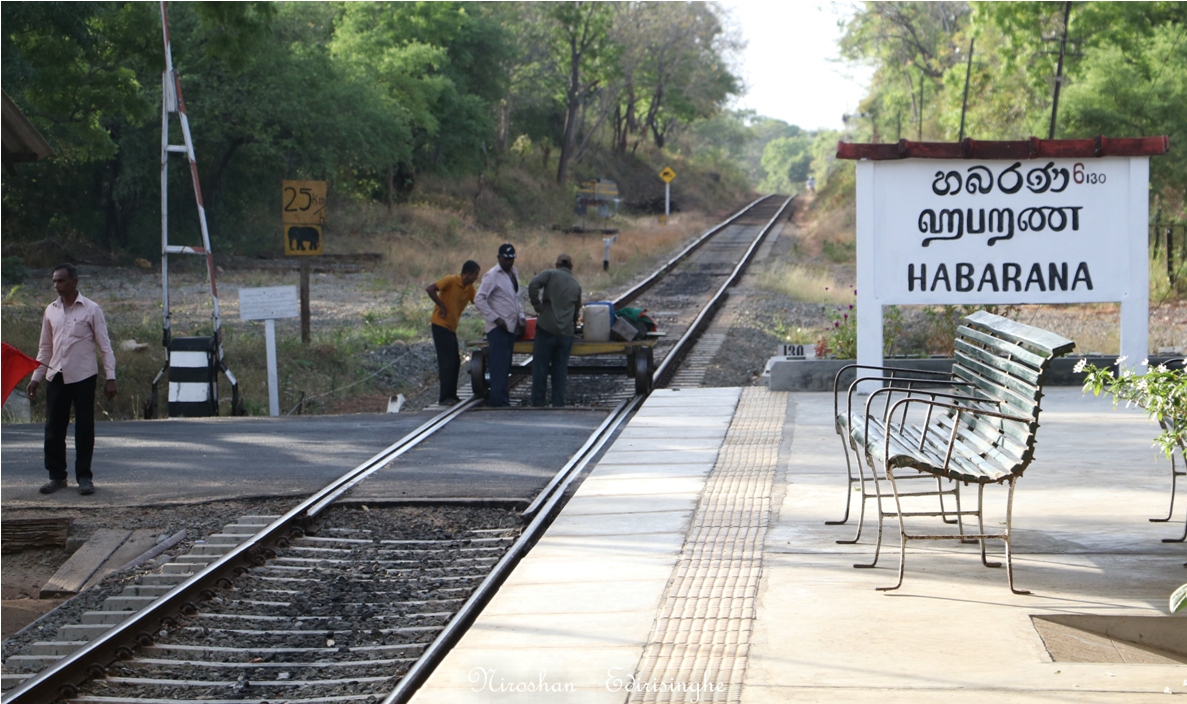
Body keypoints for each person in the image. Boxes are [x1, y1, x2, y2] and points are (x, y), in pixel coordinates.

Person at [26, 264, 117, 496]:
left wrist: (110, 377)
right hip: (55, 374)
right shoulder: (51, 311)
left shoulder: (91, 310)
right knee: (53, 428)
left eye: (62, 281)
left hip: (83, 376)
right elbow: (45, 348)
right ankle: (56, 476)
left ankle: (84, 477)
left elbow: (105, 346)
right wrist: (36, 378)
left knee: (84, 428)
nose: (57, 286)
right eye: (55, 281)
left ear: (75, 282)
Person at [473, 243, 525, 407]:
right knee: (499, 367)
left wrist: (521, 318)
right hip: (498, 328)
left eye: (511, 259)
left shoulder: (513, 273)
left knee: (505, 366)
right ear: (499, 258)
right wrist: (495, 318)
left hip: (511, 327)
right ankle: (498, 402)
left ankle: (502, 398)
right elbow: (479, 299)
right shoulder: (492, 275)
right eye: (506, 258)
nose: (509, 262)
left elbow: (515, 300)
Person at [528, 254, 582, 407]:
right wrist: (571, 326)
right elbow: (576, 311)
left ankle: (538, 402)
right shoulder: (576, 285)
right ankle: (558, 402)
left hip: (546, 328)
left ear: (557, 264)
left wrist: (537, 306)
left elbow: (533, 285)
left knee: (540, 367)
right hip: (565, 333)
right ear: (571, 267)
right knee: (560, 369)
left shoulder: (550, 274)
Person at [425, 260, 480, 405]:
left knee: (455, 361)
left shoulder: (469, 288)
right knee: (447, 361)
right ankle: (445, 397)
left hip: (450, 328)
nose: (476, 278)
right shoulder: (451, 280)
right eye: (475, 274)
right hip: (440, 325)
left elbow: (479, 302)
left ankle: (452, 395)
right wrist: (442, 306)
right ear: (467, 273)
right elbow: (430, 289)